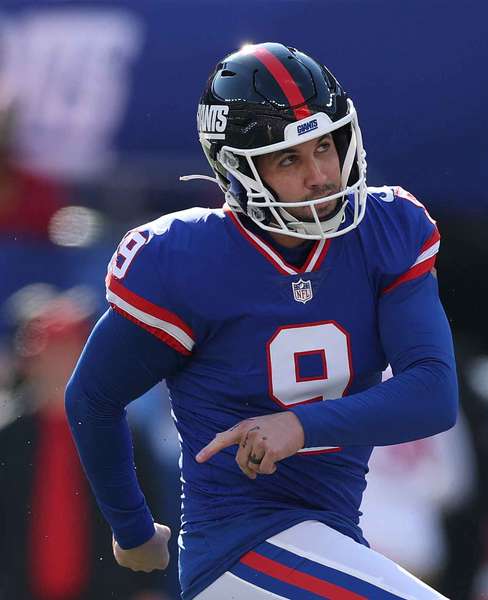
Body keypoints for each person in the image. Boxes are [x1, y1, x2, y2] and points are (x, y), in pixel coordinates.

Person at [65, 42, 458, 600]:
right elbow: (93, 398)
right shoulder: (187, 259)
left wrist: (298, 427)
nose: (322, 174)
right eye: (289, 159)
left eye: (325, 145)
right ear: (239, 170)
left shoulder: (385, 231)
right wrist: (130, 528)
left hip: (330, 537)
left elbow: (433, 393)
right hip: (238, 547)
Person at [0, 286, 169, 600]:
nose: (61, 361)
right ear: (31, 360)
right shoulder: (9, 437)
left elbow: (150, 516)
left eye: (70, 349)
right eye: (52, 350)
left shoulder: (122, 433)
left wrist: (149, 588)